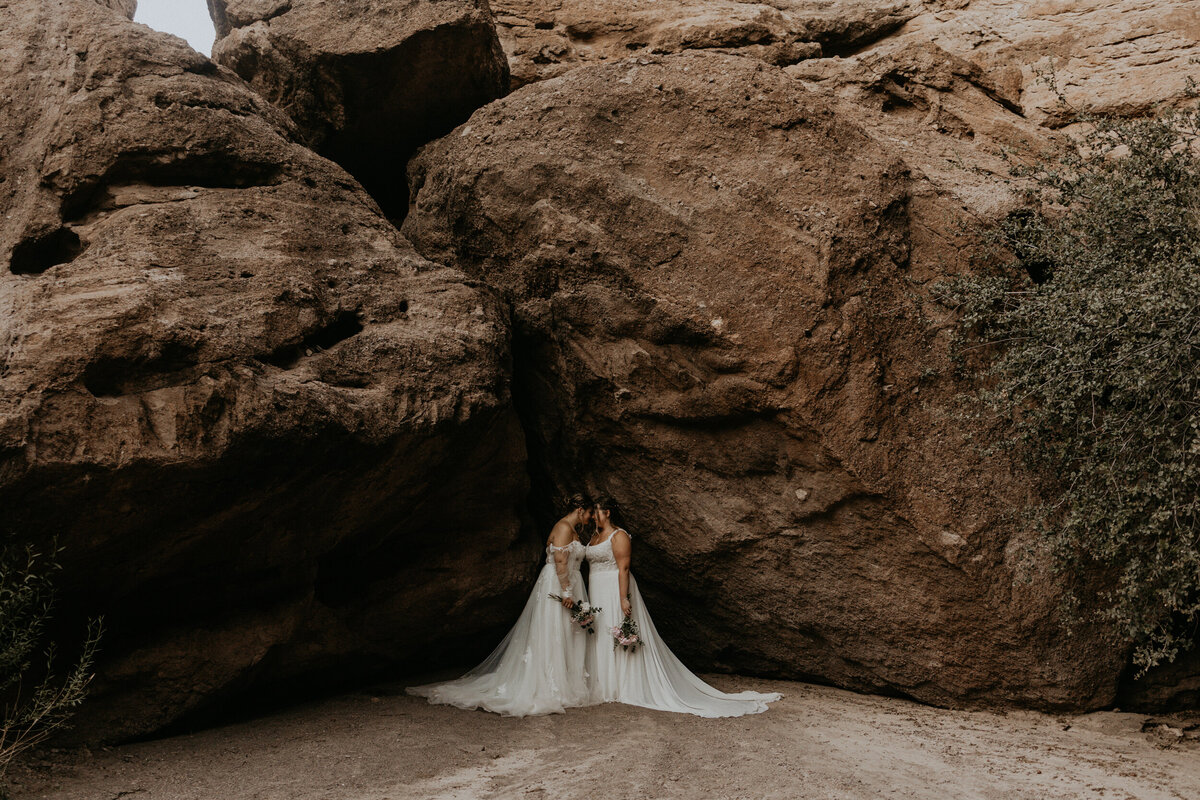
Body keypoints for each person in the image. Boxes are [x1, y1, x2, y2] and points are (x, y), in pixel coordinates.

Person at [585, 495, 781, 717]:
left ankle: (621, 684)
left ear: (607, 513)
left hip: (614, 588)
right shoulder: (593, 536)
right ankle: (604, 682)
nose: (593, 516)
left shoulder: (618, 535)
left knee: (617, 628)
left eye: (596, 512)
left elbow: (624, 568)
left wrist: (623, 598)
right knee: (601, 632)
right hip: (596, 591)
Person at [407, 494, 594, 715]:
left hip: (569, 583)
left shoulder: (572, 530)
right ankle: (550, 683)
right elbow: (561, 562)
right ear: (580, 510)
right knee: (554, 631)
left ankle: (565, 682)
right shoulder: (563, 528)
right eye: (590, 513)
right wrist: (567, 591)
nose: (591, 518)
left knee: (566, 632)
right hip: (559, 585)